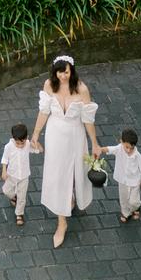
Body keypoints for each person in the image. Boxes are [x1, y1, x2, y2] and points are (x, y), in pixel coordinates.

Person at [30, 52, 101, 247]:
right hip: (54, 136)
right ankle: (62, 222)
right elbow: (44, 111)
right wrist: (36, 134)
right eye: (60, 72)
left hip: (75, 137)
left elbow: (88, 120)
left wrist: (94, 143)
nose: (63, 76)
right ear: (55, 72)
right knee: (58, 174)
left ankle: (70, 196)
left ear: (72, 71)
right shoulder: (48, 85)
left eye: (67, 72)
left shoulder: (81, 89)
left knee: (75, 171)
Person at [102, 127, 141, 223]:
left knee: (133, 201)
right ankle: (125, 213)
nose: (128, 150)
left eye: (131, 148)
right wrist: (100, 149)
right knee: (123, 198)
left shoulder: (137, 155)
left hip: (134, 181)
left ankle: (136, 207)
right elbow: (110, 149)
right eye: (126, 147)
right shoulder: (119, 149)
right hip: (122, 180)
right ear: (121, 142)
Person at [0, 122, 31, 226]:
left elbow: (38, 150)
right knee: (6, 190)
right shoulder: (9, 146)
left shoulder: (28, 144)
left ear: (27, 138)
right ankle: (14, 197)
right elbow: (5, 159)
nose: (20, 145)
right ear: (13, 139)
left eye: (22, 143)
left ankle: (19, 214)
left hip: (24, 176)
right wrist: (4, 170)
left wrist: (37, 145)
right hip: (12, 175)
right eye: (18, 143)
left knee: (22, 196)